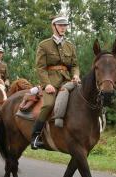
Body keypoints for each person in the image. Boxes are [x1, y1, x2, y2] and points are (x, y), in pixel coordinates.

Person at [30, 14, 80, 150]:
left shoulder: (70, 46)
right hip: (50, 82)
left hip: (66, 81)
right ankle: (35, 137)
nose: (63, 28)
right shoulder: (44, 45)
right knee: (48, 105)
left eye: (65, 25)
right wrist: (47, 85)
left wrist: (75, 75)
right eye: (60, 25)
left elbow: (74, 65)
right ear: (54, 26)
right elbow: (40, 68)